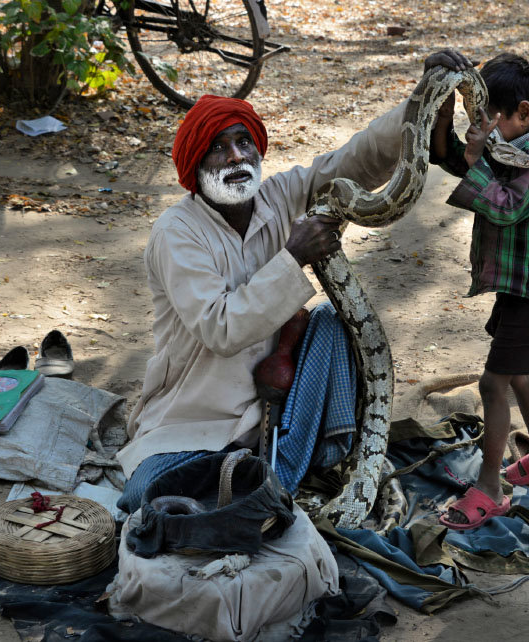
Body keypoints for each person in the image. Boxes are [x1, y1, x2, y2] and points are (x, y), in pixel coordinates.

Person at [115, 49, 477, 513]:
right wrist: (294, 255)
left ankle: (286, 467)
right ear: (196, 167)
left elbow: (356, 159)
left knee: (331, 320)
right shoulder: (177, 233)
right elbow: (220, 328)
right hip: (193, 420)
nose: (236, 157)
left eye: (244, 143)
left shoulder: (278, 196)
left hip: (273, 410)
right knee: (150, 496)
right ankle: (269, 479)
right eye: (219, 148)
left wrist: (421, 101)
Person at [429, 53, 529, 530]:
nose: (484, 128)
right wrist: (445, 107)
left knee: (493, 382)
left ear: (524, 114)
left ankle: (490, 488)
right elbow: (452, 159)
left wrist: (476, 160)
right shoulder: (507, 145)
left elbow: (507, 207)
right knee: (516, 376)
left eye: (492, 118)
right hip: (517, 289)